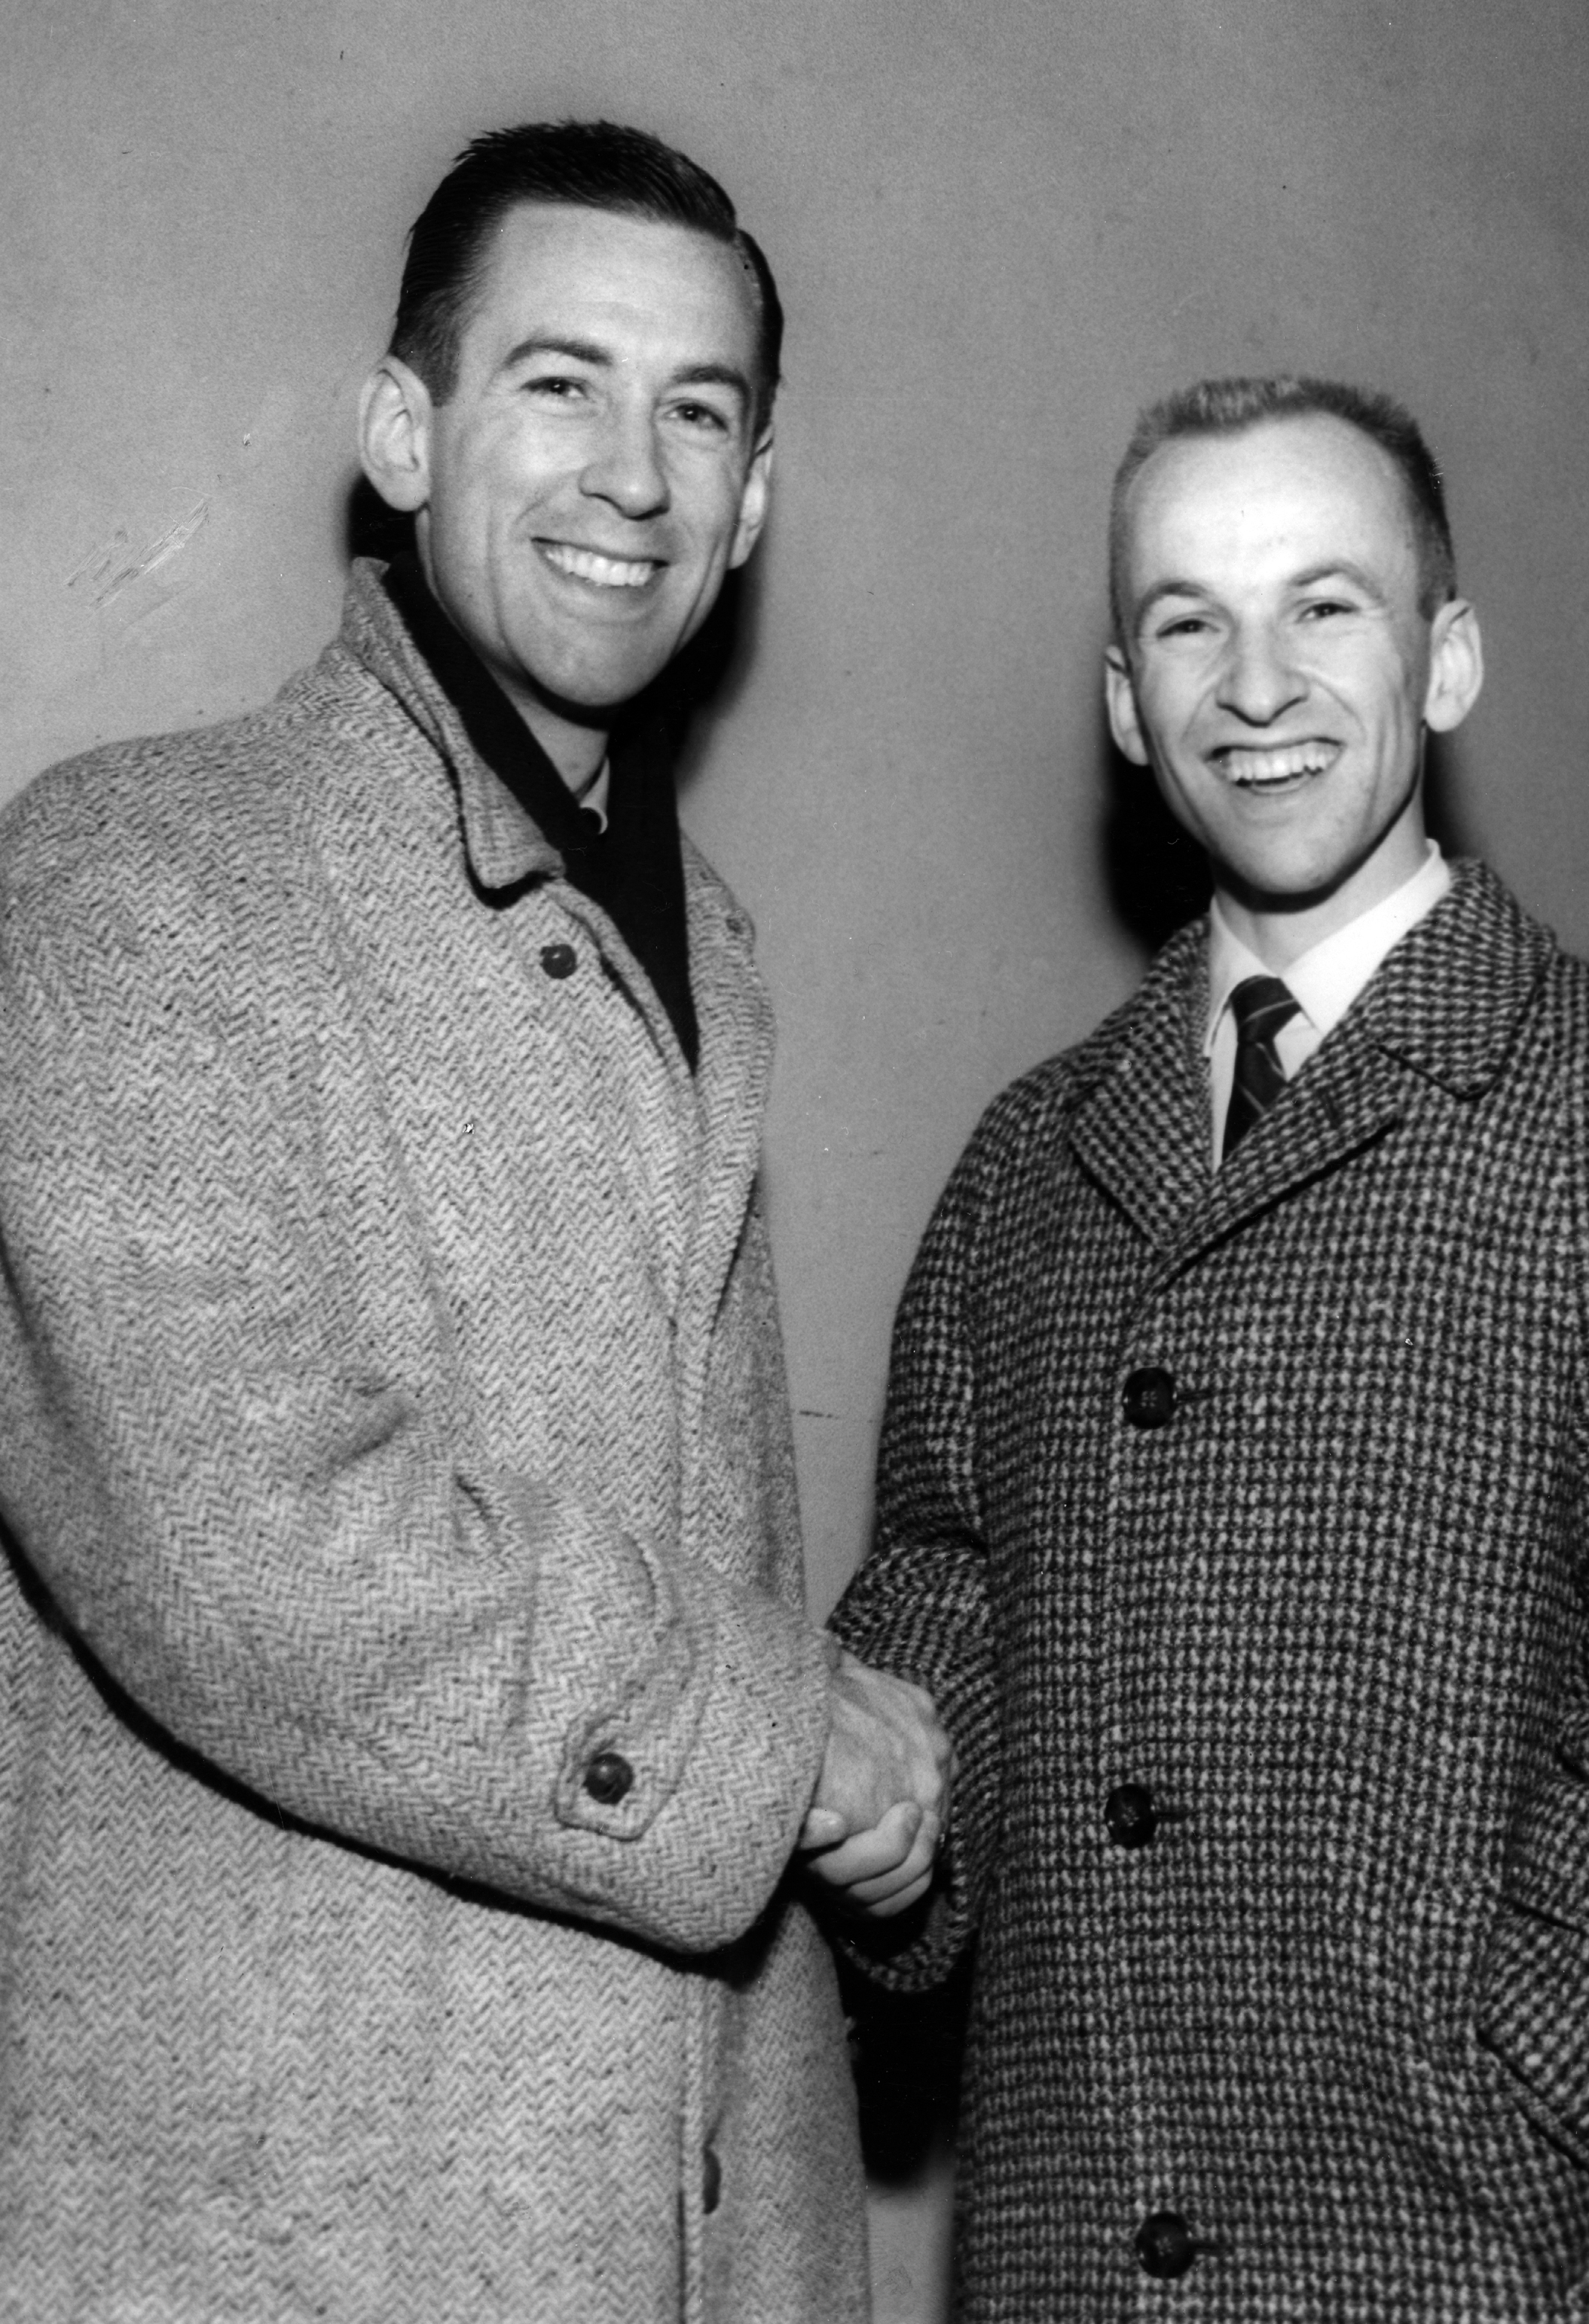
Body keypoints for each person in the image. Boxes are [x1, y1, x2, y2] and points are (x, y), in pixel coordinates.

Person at [0, 117, 947, 2323]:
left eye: (698, 410)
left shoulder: (699, 939)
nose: (636, 467)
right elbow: (259, 1545)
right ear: (403, 430)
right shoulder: (132, 884)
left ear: (758, 499)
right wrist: (781, 1737)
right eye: (561, 380)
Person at [825, 375, 1589, 2320]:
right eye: (1188, 618)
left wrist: (1519, 2121)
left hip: (1509, 2267)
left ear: (1446, 662)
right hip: (1079, 2255)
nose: (1255, 681)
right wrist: (892, 1810)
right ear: (1126, 701)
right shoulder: (1030, 1159)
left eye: (1326, 605)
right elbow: (946, 1591)